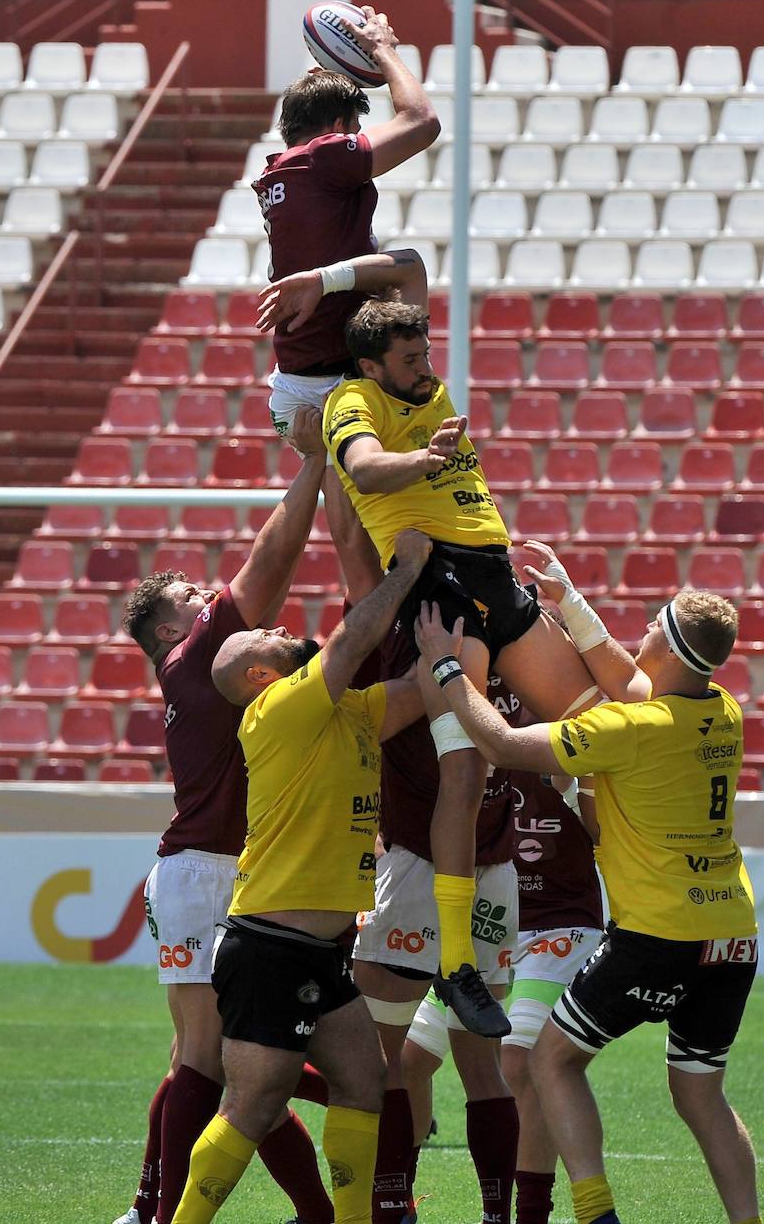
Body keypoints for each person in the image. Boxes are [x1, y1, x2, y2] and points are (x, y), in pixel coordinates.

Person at [280, 258, 605, 1035]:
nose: (425, 363)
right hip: (438, 588)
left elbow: (412, 271)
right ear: (368, 366)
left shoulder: (415, 373)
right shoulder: (354, 401)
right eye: (410, 358)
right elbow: (362, 467)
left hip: (495, 577)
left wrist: (328, 279)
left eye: (425, 352)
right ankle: (457, 962)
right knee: (465, 769)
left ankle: (638, 893)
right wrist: (423, 460)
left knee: (601, 726)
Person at [414, 577, 763, 1224]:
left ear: (675, 650)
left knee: (551, 1059)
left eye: (656, 627)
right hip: (734, 933)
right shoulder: (723, 711)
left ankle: (597, 1215)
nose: (644, 634)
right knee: (699, 1093)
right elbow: (635, 677)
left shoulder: (627, 727)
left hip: (660, 933)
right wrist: (569, 601)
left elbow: (501, 744)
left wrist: (444, 664)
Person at [171, 527, 432, 1224]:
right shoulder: (277, 708)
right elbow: (348, 644)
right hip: (269, 946)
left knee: (362, 1081)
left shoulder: (342, 712)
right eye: (265, 636)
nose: (283, 627)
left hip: (320, 946)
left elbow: (417, 691)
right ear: (259, 677)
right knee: (254, 1103)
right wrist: (404, 573)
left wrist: (461, 632)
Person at [118, 410, 335, 1224]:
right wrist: (315, 464)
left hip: (211, 871)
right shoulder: (194, 658)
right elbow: (269, 561)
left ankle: (154, 1210)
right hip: (206, 871)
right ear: (172, 631)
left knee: (211, 1061)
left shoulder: (192, 674)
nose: (209, 598)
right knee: (214, 1064)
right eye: (191, 599)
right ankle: (174, 1214)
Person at [253, 5, 439, 595]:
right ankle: (382, 659)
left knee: (359, 533)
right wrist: (381, 48)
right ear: (337, 125)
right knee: (367, 542)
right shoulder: (327, 158)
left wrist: (332, 63)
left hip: (296, 386)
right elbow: (421, 119)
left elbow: (313, 108)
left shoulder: (279, 170)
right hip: (338, 384)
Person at [353, 613, 522, 1224]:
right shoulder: (517, 630)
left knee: (381, 1061)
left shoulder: (403, 634)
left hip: (420, 864)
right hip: (497, 868)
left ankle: (391, 1207)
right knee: (483, 1068)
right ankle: (500, 1216)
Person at [402, 764, 605, 1224]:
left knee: (523, 1061)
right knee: (409, 1058)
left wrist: (575, 783)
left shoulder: (567, 727)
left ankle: (528, 1214)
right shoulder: (470, 735)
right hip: (486, 920)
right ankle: (399, 1203)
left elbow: (602, 831)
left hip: (559, 922)